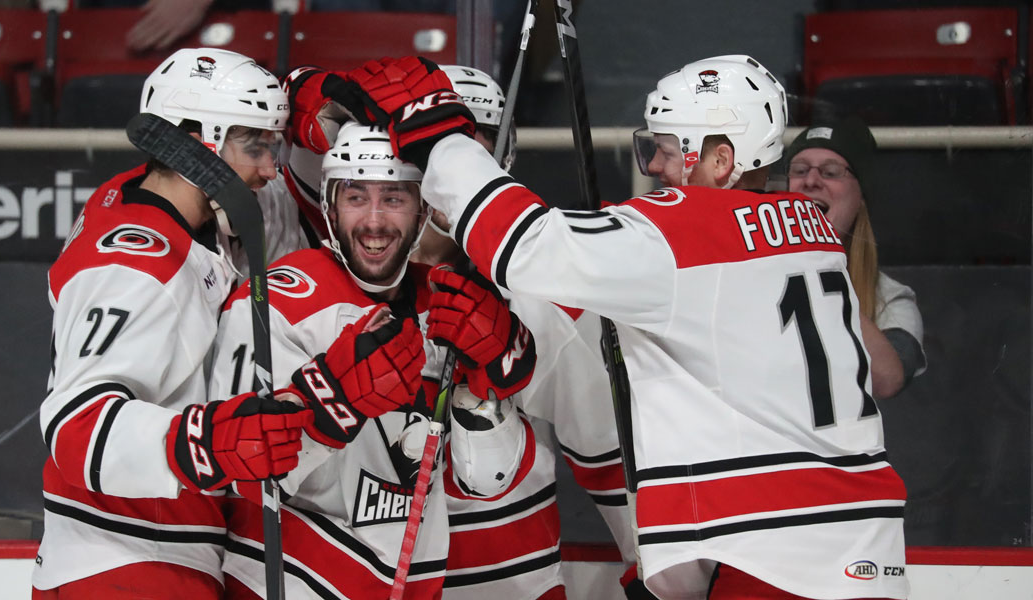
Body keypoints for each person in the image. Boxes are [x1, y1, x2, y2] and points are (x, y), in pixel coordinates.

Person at [352, 54, 909, 599]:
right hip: (862, 543)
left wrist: (438, 137)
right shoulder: (810, 228)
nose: (655, 169)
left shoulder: (687, 233)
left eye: (666, 151)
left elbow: (524, 245)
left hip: (774, 559)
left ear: (721, 159)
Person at [33, 47, 320, 599]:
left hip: (160, 550)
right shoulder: (137, 265)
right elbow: (75, 425)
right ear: (197, 140)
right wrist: (207, 442)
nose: (268, 167)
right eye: (254, 144)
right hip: (127, 560)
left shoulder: (151, 199)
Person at [212, 123, 540, 599]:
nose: (374, 220)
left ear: (423, 208)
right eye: (356, 197)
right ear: (327, 205)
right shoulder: (275, 301)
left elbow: (486, 482)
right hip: (294, 581)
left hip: (409, 583)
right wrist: (335, 397)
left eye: (394, 198)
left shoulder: (450, 305)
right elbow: (244, 477)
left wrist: (483, 393)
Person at [417, 64, 644, 600]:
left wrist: (657, 576)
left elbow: (610, 463)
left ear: (506, 157)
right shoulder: (352, 270)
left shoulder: (554, 292)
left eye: (479, 149)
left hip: (511, 584)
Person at [786, 116, 927, 400]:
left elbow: (887, 379)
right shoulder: (746, 271)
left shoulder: (890, 299)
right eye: (799, 170)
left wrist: (818, 264)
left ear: (861, 196)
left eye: (831, 172)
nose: (811, 181)